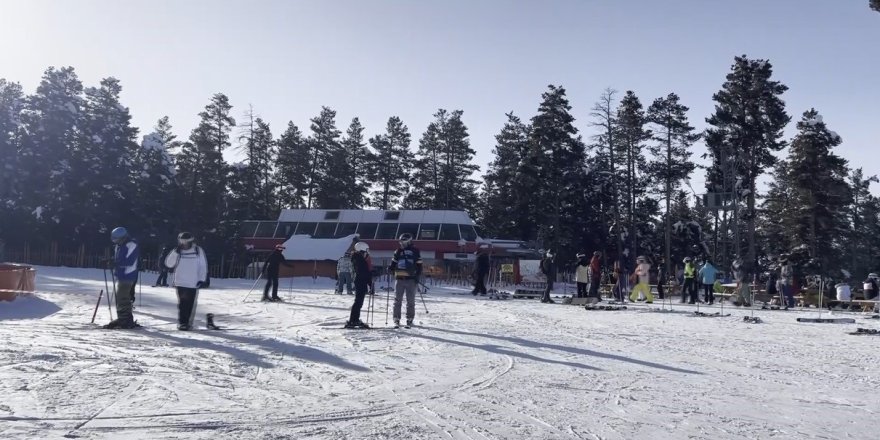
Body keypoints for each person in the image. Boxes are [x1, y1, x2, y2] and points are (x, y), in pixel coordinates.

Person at [164, 232, 208, 330]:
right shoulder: (177, 251)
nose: (183, 243)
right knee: (182, 303)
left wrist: (201, 279)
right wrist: (175, 253)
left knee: (189, 304)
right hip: (180, 281)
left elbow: (203, 266)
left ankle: (187, 322)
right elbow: (169, 264)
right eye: (181, 241)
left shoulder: (197, 250)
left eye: (185, 241)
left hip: (193, 282)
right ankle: (182, 323)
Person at [104, 227, 140, 329]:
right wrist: (110, 261)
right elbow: (119, 259)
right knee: (121, 297)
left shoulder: (131, 245)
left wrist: (115, 263)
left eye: (117, 239)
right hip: (121, 275)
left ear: (123, 237)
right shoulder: (119, 246)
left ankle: (125, 320)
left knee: (122, 297)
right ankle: (124, 318)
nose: (115, 241)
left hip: (128, 275)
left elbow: (130, 261)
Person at [390, 233, 422, 327]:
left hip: (411, 279)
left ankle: (410, 318)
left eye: (403, 242)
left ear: (408, 241)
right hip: (399, 279)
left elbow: (419, 265)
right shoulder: (398, 251)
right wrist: (391, 269)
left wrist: (417, 276)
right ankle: (396, 318)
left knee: (410, 300)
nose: (401, 244)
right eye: (400, 242)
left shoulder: (415, 251)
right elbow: (393, 264)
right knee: (397, 300)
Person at [345, 242, 373, 328]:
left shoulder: (359, 258)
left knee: (359, 302)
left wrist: (370, 282)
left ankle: (354, 319)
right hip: (360, 281)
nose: (367, 253)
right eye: (366, 251)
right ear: (362, 250)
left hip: (361, 281)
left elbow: (365, 272)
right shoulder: (358, 259)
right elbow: (363, 272)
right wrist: (370, 275)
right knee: (358, 302)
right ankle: (353, 320)